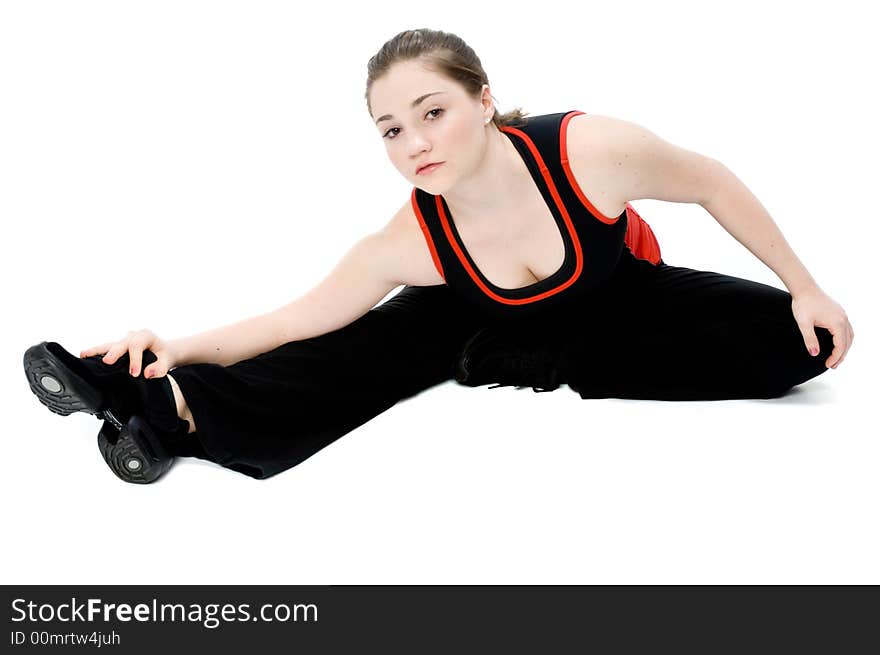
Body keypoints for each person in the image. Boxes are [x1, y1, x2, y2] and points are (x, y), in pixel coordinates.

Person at [22, 28, 853, 484]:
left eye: (433, 112)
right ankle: (158, 408)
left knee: (797, 344)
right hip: (470, 307)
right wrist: (178, 346)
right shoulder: (413, 239)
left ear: (484, 100)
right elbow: (299, 317)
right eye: (391, 129)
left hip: (619, 297)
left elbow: (711, 181)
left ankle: (533, 353)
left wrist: (807, 286)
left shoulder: (589, 152)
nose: (414, 142)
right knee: (360, 350)